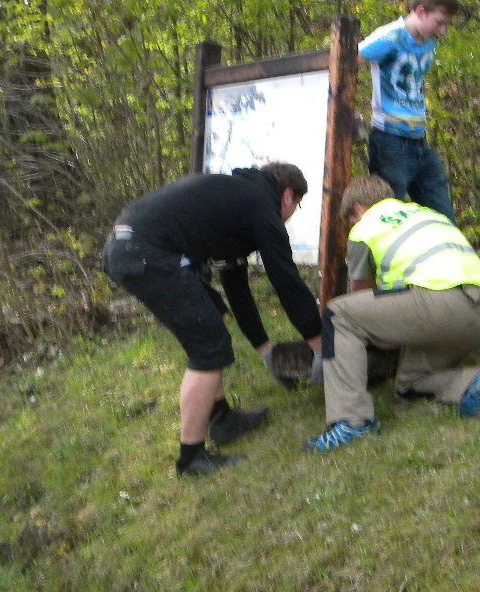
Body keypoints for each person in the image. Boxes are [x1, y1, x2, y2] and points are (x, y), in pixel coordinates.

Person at [103, 162, 322, 476]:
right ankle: (191, 459)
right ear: (288, 195)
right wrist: (319, 345)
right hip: (146, 253)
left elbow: (237, 290)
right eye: (296, 206)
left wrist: (267, 354)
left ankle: (222, 420)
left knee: (211, 324)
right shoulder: (262, 206)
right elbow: (287, 281)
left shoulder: (236, 201)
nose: (291, 214)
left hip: (126, 248)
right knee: (208, 349)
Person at [305, 175, 480, 451]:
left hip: (437, 308)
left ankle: (351, 422)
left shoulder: (365, 228)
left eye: (351, 219)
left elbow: (360, 296)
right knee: (409, 384)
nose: (352, 225)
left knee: (338, 315)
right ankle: (474, 381)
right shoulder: (427, 215)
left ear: (359, 208)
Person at [358, 0, 460, 222]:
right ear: (421, 11)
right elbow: (346, 61)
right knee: (386, 217)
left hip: (419, 141)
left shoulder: (429, 41)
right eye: (439, 22)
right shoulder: (390, 37)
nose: (442, 30)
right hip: (390, 141)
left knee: (443, 219)